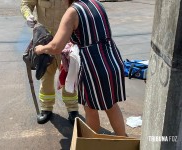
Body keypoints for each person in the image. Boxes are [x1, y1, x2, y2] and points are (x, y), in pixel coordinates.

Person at [35, 0, 127, 136]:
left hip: (93, 67)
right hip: (112, 61)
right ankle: (123, 140)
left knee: (90, 109)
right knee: (111, 106)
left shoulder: (72, 12)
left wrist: (41, 49)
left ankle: (90, 142)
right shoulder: (97, 4)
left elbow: (55, 47)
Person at [20, 0, 79, 125]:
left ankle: (73, 110)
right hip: (45, 42)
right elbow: (26, 4)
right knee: (46, 77)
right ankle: (46, 108)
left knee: (69, 76)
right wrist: (28, 15)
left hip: (67, 42)